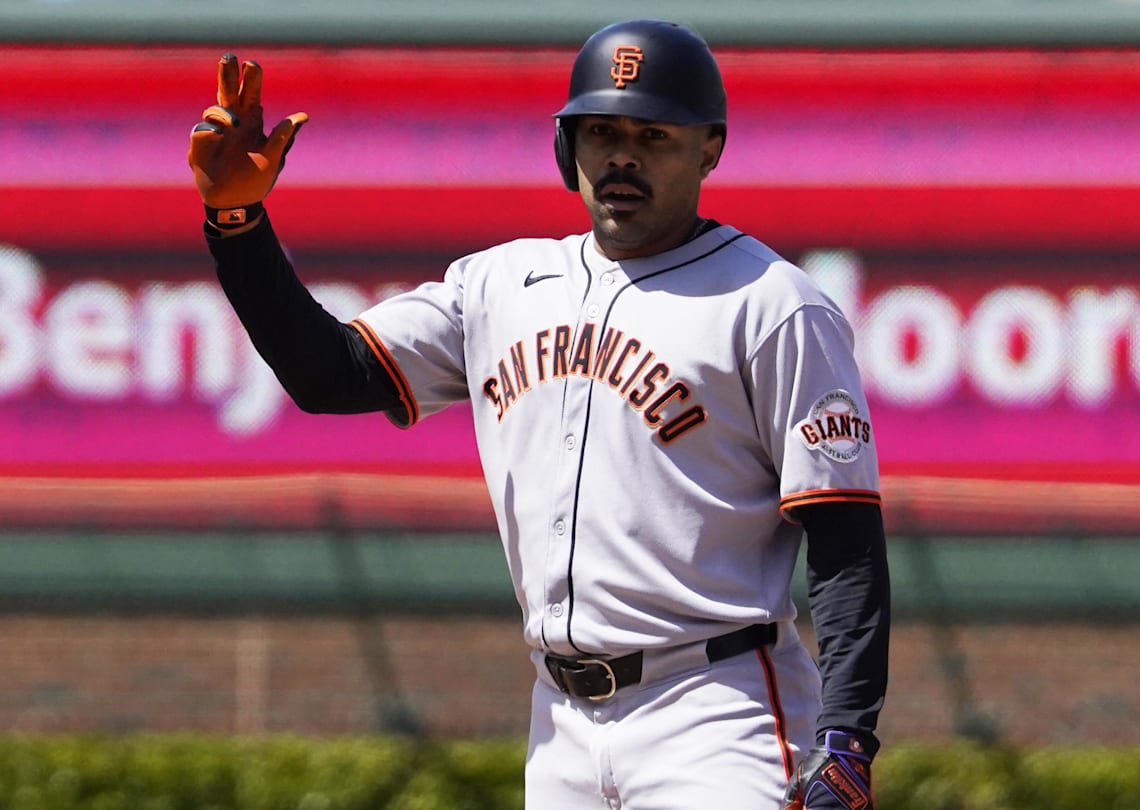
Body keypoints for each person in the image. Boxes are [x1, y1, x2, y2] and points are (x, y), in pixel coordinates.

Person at [188, 19, 889, 810]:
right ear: (567, 147)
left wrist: (846, 737)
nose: (622, 156)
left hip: (717, 707)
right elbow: (329, 375)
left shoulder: (773, 306)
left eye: (652, 135)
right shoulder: (500, 285)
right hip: (558, 721)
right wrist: (238, 227)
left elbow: (844, 539)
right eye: (600, 132)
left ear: (709, 148)